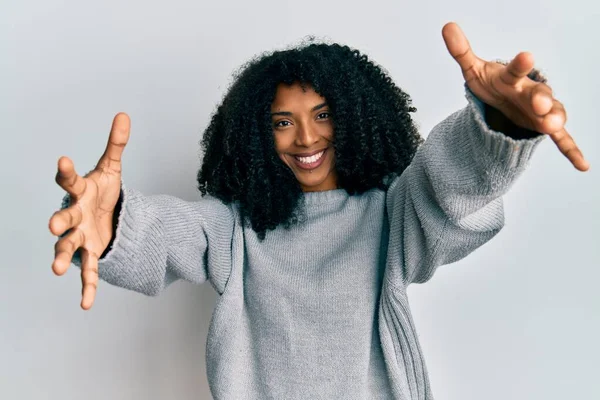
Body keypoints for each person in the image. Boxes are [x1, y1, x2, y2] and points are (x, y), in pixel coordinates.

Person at [48, 22, 588, 400]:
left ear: (354, 116)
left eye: (322, 114)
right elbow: (172, 233)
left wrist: (498, 126)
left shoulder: (389, 213)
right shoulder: (236, 230)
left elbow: (448, 188)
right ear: (257, 134)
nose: (305, 136)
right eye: (282, 121)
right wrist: (112, 220)